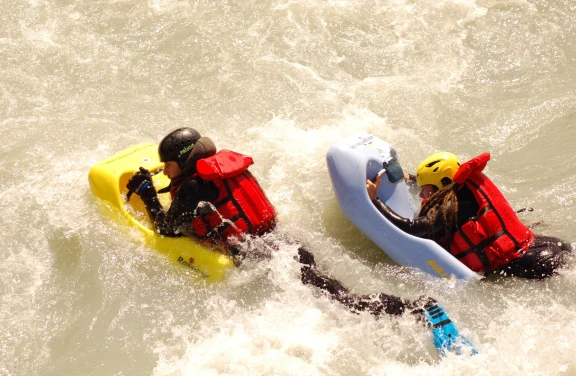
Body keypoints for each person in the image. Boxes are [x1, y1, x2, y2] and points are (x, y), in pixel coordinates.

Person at [126, 128, 476, 356]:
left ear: (184, 161)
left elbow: (167, 229)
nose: (165, 172)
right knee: (337, 292)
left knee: (343, 301)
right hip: (282, 242)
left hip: (263, 256)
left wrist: (149, 197)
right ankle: (417, 309)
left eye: (168, 165)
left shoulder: (190, 187)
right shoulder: (224, 170)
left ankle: (418, 308)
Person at [366, 151, 572, 279]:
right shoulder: (463, 188)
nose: (422, 194)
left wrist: (374, 200)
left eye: (426, 189)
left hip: (533, 263)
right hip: (536, 244)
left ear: (443, 185)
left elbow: (409, 227)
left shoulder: (456, 208)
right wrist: (409, 177)